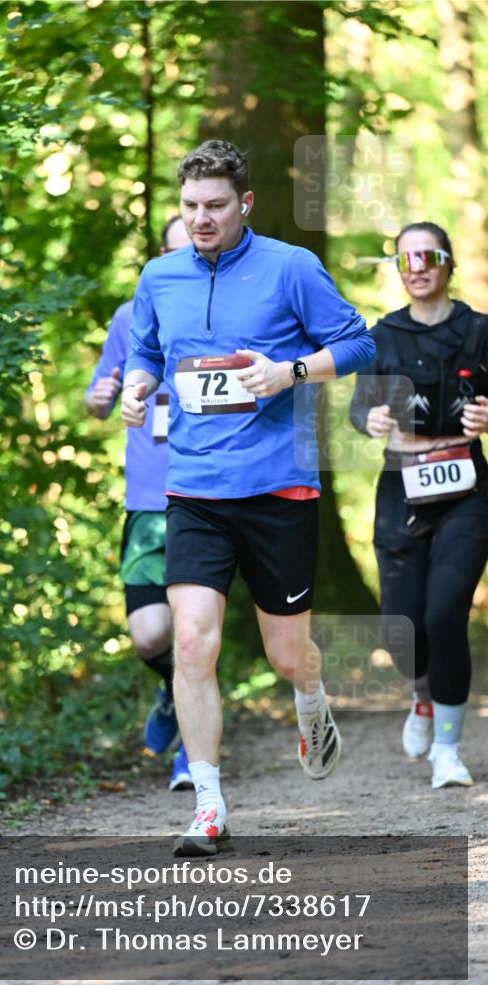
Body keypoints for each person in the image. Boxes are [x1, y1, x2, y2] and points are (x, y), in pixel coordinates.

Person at [121, 140, 375, 856]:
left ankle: (310, 700)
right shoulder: (159, 275)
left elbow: (357, 344)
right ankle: (207, 804)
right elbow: (144, 353)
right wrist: (139, 386)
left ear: (245, 205)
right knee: (192, 641)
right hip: (193, 489)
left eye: (215, 206)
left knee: (288, 656)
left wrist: (290, 371)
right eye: (190, 206)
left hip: (276, 487)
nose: (201, 219)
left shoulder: (290, 268)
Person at [350, 222, 488, 789]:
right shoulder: (382, 336)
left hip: (465, 490)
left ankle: (448, 753)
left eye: (428, 255)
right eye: (405, 259)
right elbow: (360, 410)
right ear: (399, 270)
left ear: (447, 262)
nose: (417, 266)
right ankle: (422, 697)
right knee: (403, 629)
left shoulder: (479, 329)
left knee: (444, 614)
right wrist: (372, 419)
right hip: (401, 486)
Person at [85, 216, 194, 791]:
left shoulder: (222, 316)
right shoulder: (130, 318)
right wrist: (99, 394)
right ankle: (173, 695)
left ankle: (193, 762)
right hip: (149, 501)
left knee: (194, 630)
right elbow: (99, 395)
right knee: (151, 635)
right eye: (172, 252)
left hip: (208, 495)